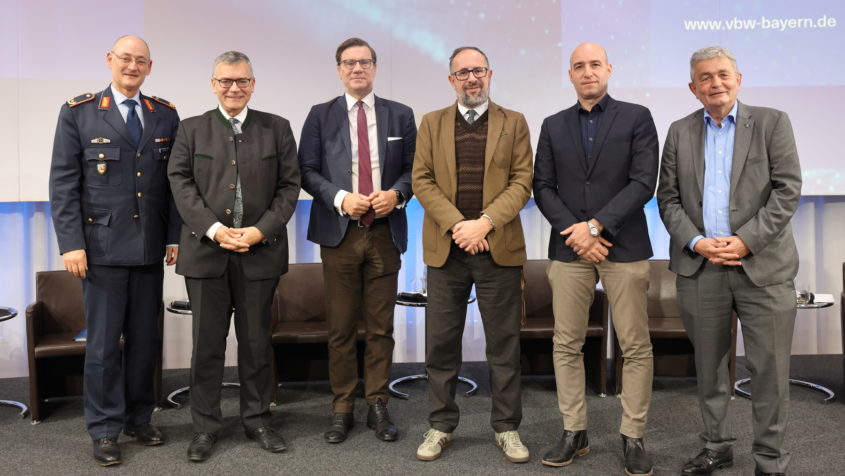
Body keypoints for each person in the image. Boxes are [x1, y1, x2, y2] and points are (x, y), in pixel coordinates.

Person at [656, 46, 801, 476]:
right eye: (705, 77)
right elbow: (668, 198)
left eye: (722, 75)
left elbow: (787, 189)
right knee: (710, 369)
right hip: (702, 269)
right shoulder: (679, 131)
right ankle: (717, 446)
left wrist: (746, 240)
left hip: (763, 268)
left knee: (769, 371)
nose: (715, 83)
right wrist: (697, 242)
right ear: (692, 87)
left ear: (739, 79)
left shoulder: (772, 122)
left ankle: (770, 461)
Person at [49, 35, 179, 467]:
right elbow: (64, 184)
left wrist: (174, 236)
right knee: (104, 346)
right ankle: (104, 429)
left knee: (145, 341)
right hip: (100, 249)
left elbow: (173, 185)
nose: (132, 66)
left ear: (150, 66)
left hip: (147, 249)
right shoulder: (79, 113)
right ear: (110, 60)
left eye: (140, 60)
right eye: (125, 58)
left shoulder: (164, 115)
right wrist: (70, 244)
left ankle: (139, 417)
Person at [167, 51, 300, 462]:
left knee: (256, 343)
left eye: (242, 81)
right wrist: (215, 229)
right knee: (206, 345)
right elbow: (180, 183)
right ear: (213, 84)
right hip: (207, 253)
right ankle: (205, 427)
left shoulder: (277, 128)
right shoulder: (191, 130)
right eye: (225, 81)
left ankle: (258, 419)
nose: (234, 88)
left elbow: (289, 187)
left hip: (260, 253)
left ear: (253, 84)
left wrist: (260, 230)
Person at [533, 41, 658, 475]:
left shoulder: (637, 117)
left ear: (609, 69)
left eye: (595, 65)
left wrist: (596, 227)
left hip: (622, 244)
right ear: (570, 74)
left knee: (634, 345)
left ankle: (633, 435)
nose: (588, 72)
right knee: (566, 342)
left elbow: (644, 182)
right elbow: (542, 186)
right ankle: (575, 431)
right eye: (578, 66)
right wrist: (578, 233)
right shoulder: (552, 124)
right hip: (569, 248)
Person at [411, 46, 533, 464]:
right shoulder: (431, 122)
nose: (471, 79)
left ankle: (507, 428)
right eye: (462, 73)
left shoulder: (514, 122)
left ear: (490, 74)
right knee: (441, 344)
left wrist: (483, 223)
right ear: (451, 80)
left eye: (477, 70)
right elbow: (421, 180)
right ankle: (441, 425)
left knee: (504, 345)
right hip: (447, 249)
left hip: (498, 247)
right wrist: (459, 226)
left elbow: (522, 182)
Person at [299, 37, 416, 444]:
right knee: (342, 327)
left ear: (375, 68)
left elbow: (415, 171)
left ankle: (377, 403)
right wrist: (341, 198)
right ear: (338, 70)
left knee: (381, 328)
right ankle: (342, 406)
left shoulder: (400, 115)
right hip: (340, 233)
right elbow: (307, 171)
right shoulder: (319, 115)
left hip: (384, 232)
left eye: (364, 62)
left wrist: (397, 194)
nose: (357, 69)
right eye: (349, 63)